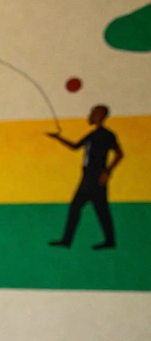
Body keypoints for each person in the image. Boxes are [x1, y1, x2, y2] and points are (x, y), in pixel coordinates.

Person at [47, 105, 123, 250]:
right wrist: (58, 138)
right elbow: (75, 146)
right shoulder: (92, 134)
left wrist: (107, 172)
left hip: (95, 178)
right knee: (92, 208)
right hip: (88, 176)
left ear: (101, 115)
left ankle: (70, 240)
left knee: (93, 208)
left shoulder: (107, 134)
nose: (90, 115)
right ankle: (68, 240)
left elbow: (119, 154)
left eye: (94, 113)